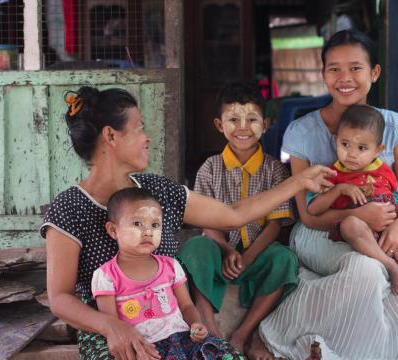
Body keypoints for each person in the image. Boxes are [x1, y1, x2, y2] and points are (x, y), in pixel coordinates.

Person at [41, 86, 335, 360]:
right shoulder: (69, 209)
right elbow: (60, 298)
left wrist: (297, 182)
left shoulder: (156, 190)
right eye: (140, 128)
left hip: (174, 330)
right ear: (111, 136)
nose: (148, 137)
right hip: (113, 336)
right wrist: (111, 326)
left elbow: (232, 215)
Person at [253, 29, 398, 360]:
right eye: (334, 69)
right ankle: (279, 331)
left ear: (374, 73)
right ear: (322, 75)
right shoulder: (301, 131)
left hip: (384, 227)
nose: (344, 78)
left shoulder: (393, 126)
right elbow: (307, 215)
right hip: (320, 230)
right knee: (366, 270)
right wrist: (357, 215)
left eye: (355, 68)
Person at [177, 81, 298, 355]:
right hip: (220, 251)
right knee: (195, 247)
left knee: (285, 258)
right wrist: (227, 249)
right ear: (220, 125)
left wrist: (249, 257)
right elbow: (205, 220)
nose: (242, 127)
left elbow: (276, 224)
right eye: (233, 119)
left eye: (252, 119)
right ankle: (209, 325)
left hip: (257, 254)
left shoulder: (275, 170)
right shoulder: (209, 168)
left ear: (265, 124)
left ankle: (244, 333)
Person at [306, 104, 398, 295]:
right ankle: (390, 265)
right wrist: (338, 190)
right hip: (364, 234)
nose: (352, 154)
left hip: (394, 231)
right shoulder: (329, 174)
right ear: (335, 140)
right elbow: (313, 209)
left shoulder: (385, 171)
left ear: (379, 149)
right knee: (349, 224)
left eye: (362, 148)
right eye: (345, 144)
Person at [91, 187, 243, 359]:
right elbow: (113, 325)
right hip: (145, 349)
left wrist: (196, 324)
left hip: (183, 339)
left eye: (155, 225)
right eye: (137, 223)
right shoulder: (106, 276)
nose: (148, 231)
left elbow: (186, 306)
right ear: (113, 230)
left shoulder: (170, 266)